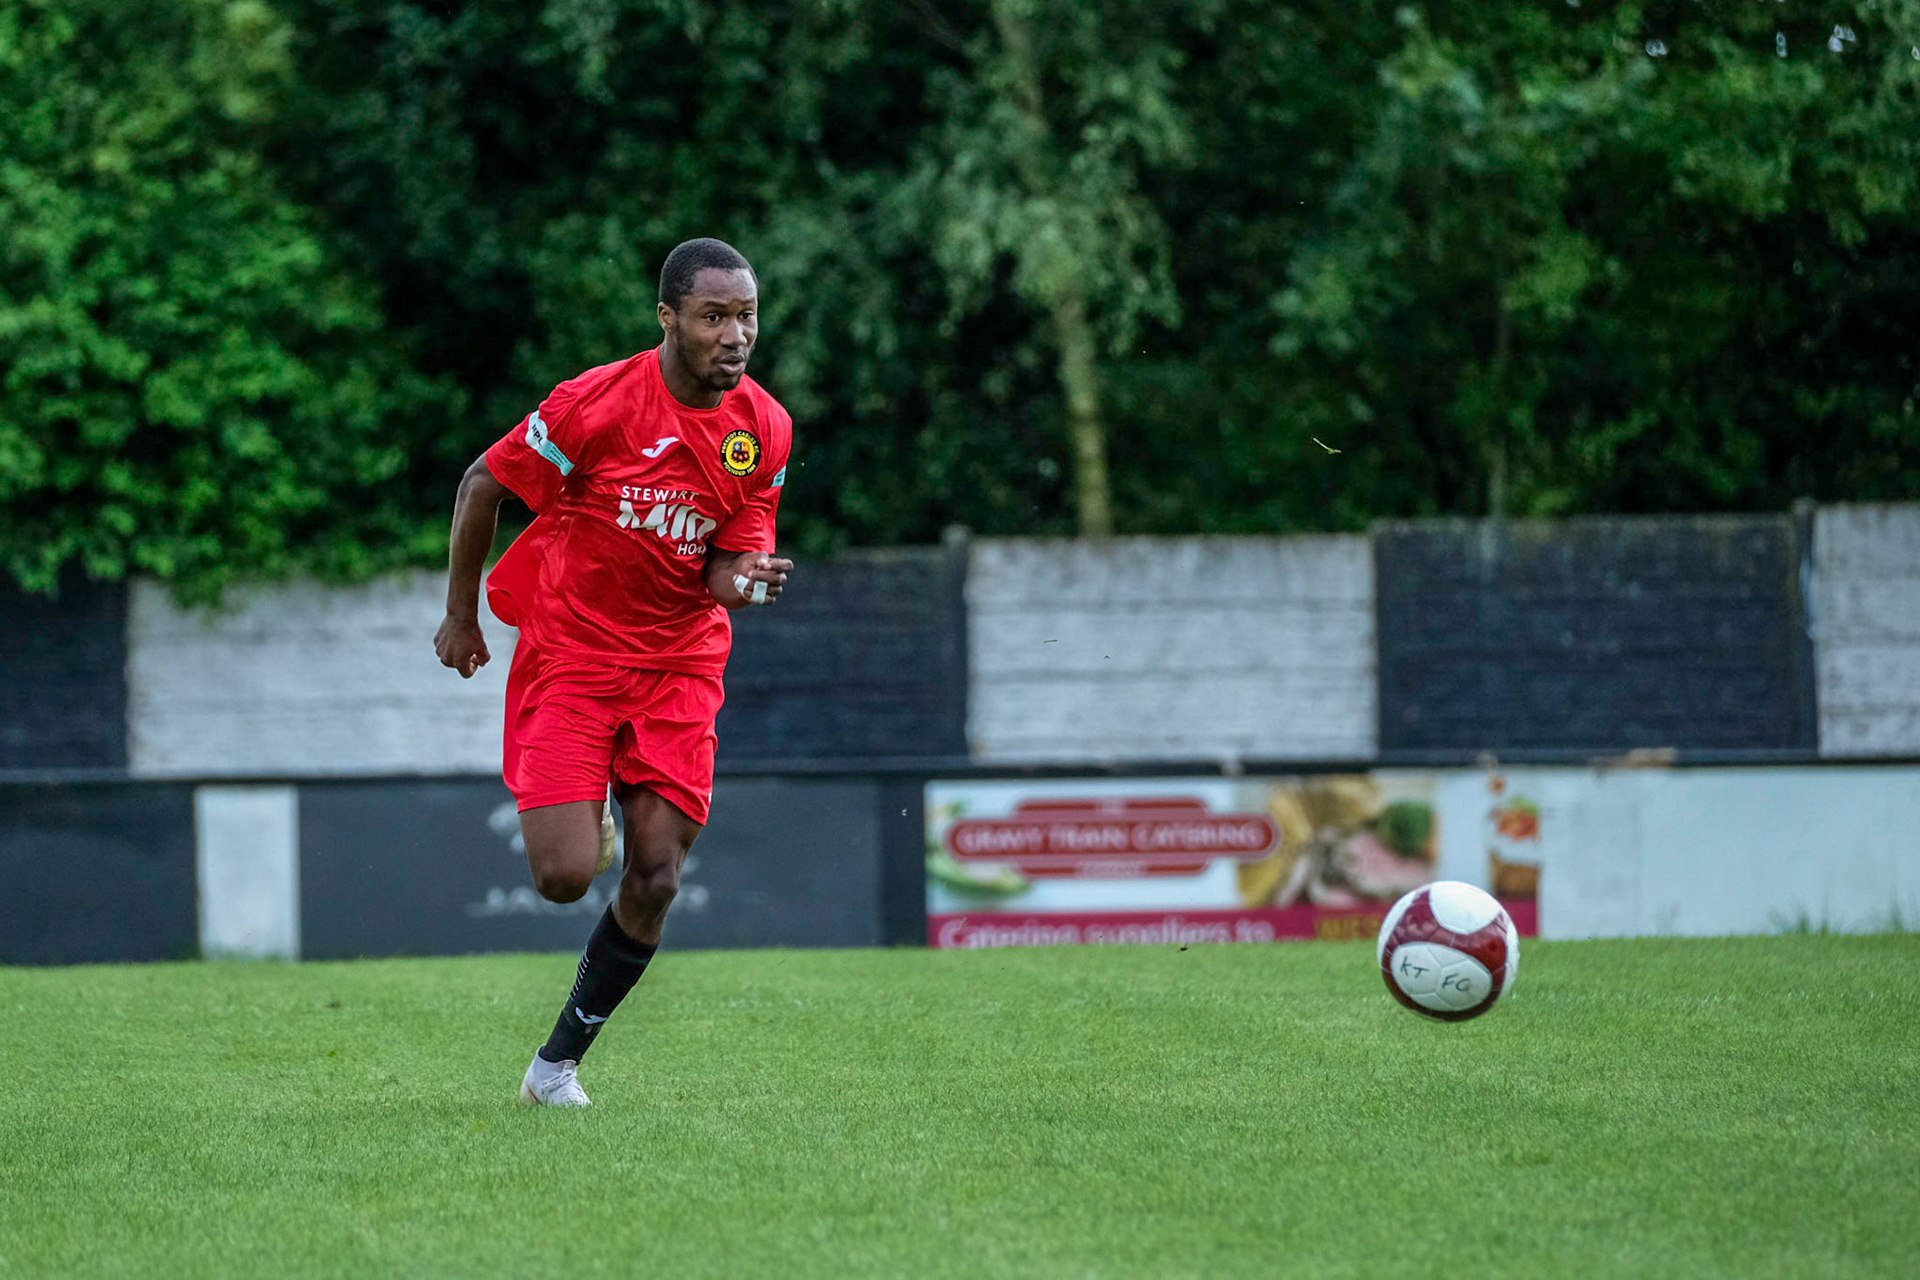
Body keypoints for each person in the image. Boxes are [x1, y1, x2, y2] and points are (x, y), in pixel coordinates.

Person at [433, 237, 794, 1107]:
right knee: (561, 878)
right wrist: (460, 614)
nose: (735, 335)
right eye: (714, 316)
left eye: (746, 316)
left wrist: (741, 581)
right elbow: (483, 483)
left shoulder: (764, 430)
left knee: (658, 875)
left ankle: (553, 1071)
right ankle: (584, 800)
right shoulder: (593, 405)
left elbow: (724, 564)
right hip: (575, 653)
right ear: (668, 318)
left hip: (679, 662)